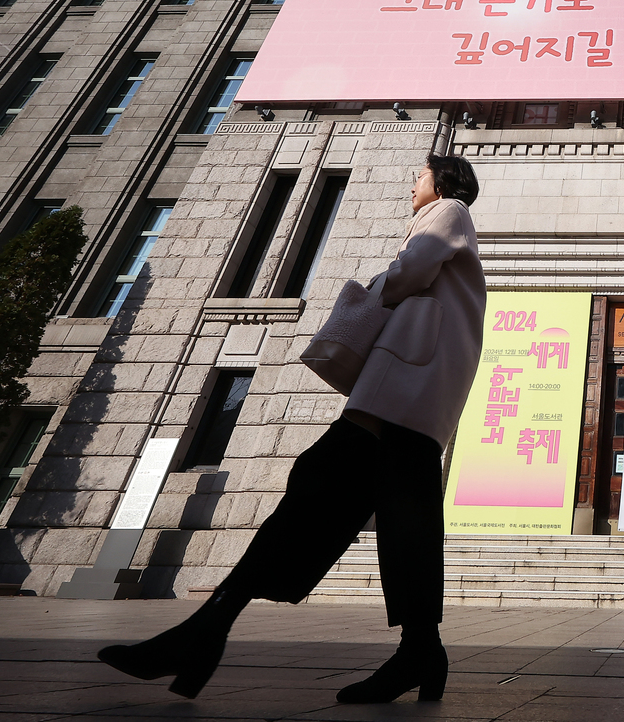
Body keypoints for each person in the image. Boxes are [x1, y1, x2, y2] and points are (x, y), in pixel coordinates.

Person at [98, 154, 486, 704]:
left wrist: (380, 285)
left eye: (419, 176)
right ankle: (417, 650)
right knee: (396, 521)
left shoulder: (448, 211)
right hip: (411, 398)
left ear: (443, 182)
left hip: (403, 389)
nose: (413, 185)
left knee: (326, 493)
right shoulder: (450, 223)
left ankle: (205, 632)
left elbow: (410, 273)